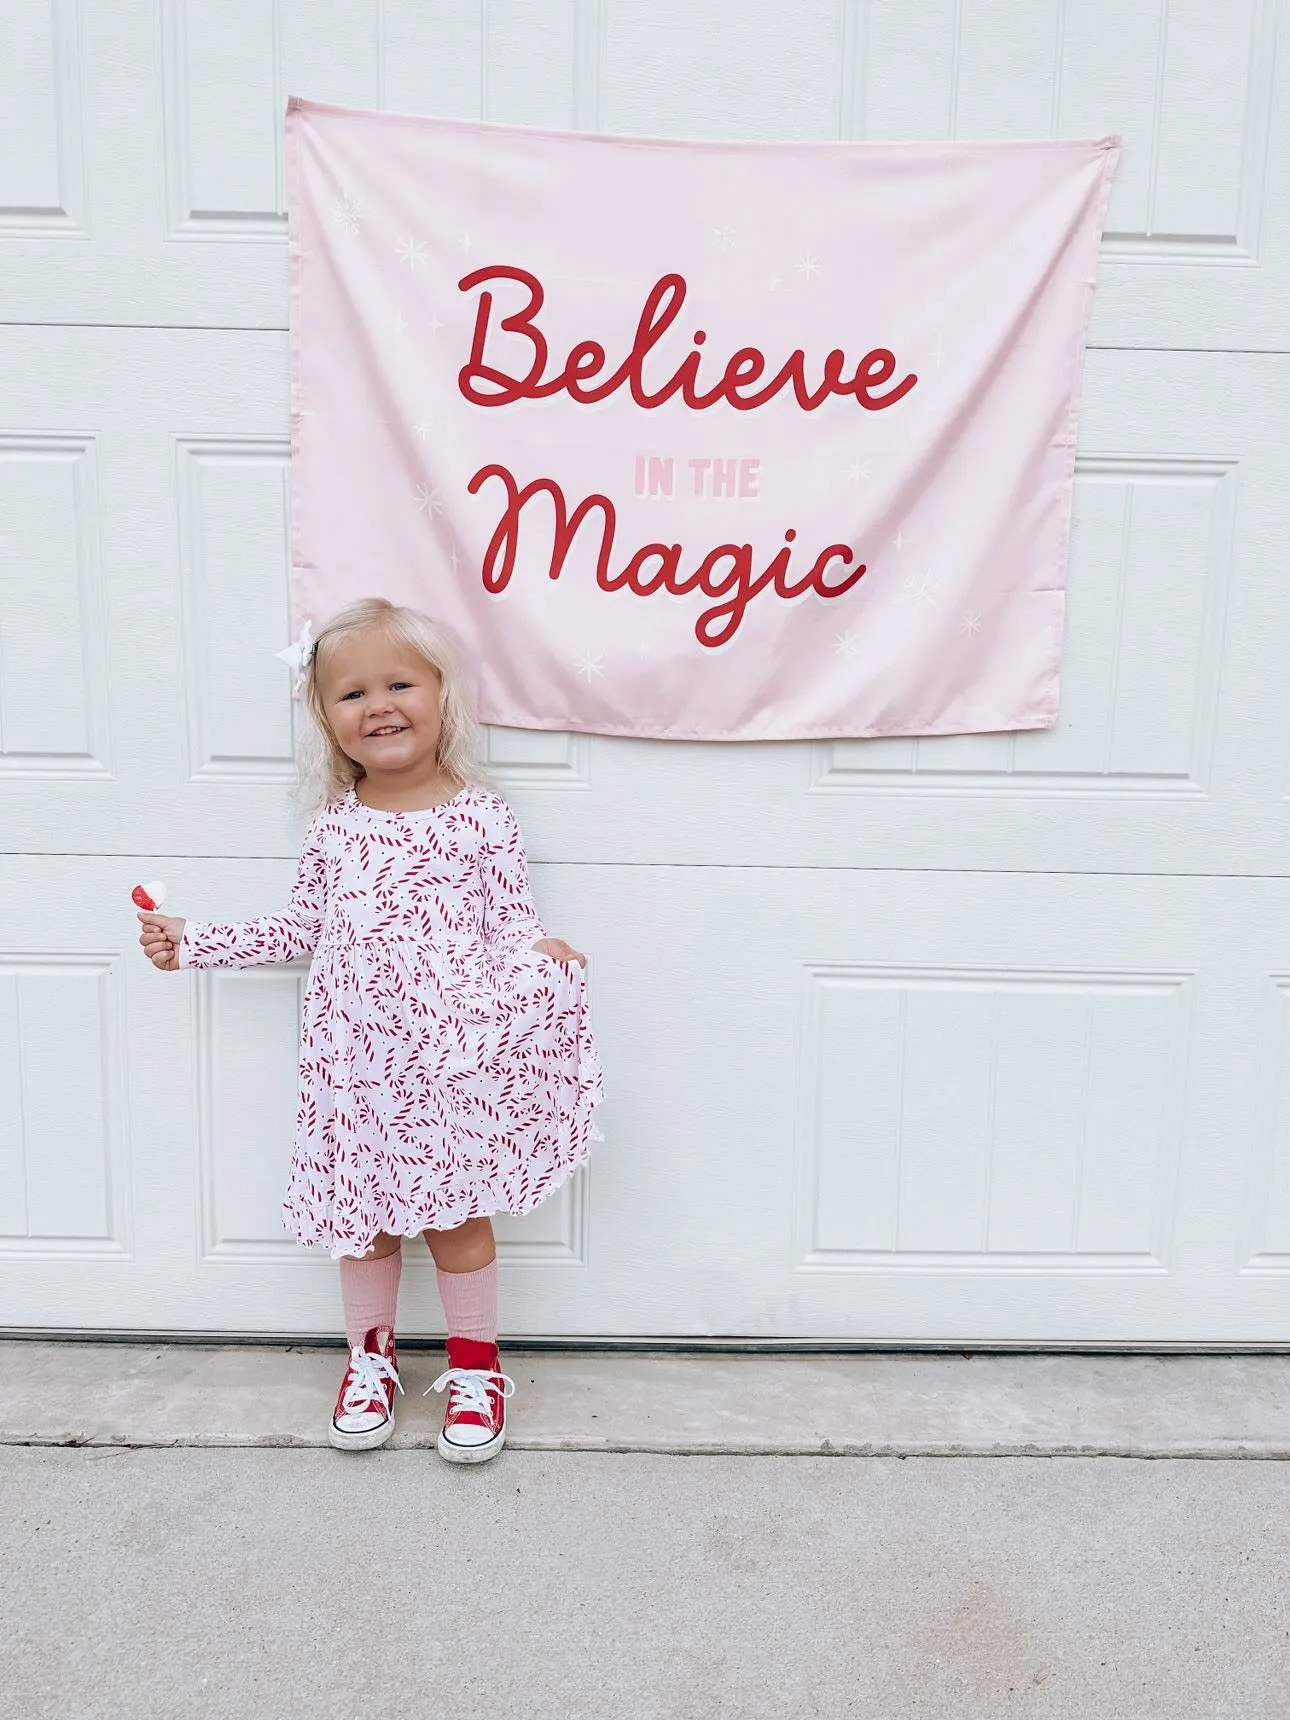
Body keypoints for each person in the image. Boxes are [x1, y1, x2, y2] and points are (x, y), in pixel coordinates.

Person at [137, 597, 604, 1463]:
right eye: (351, 692)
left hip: (447, 1063)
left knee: (457, 1217)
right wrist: (193, 943)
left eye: (399, 683)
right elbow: (298, 930)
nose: (379, 704)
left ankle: (475, 1367)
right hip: (354, 1070)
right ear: (326, 719)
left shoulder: (482, 817)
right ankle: (370, 1359)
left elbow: (508, 930)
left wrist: (544, 959)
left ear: (441, 697)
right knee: (366, 1222)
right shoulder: (335, 830)